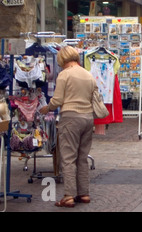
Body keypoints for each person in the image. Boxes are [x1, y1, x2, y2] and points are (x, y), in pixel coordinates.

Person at [39, 46, 97, 208]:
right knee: (82, 157)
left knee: (68, 157)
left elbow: (57, 100)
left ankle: (68, 196)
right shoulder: (88, 74)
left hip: (71, 117)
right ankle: (84, 193)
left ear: (62, 59)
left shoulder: (65, 75)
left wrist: (47, 108)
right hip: (87, 117)